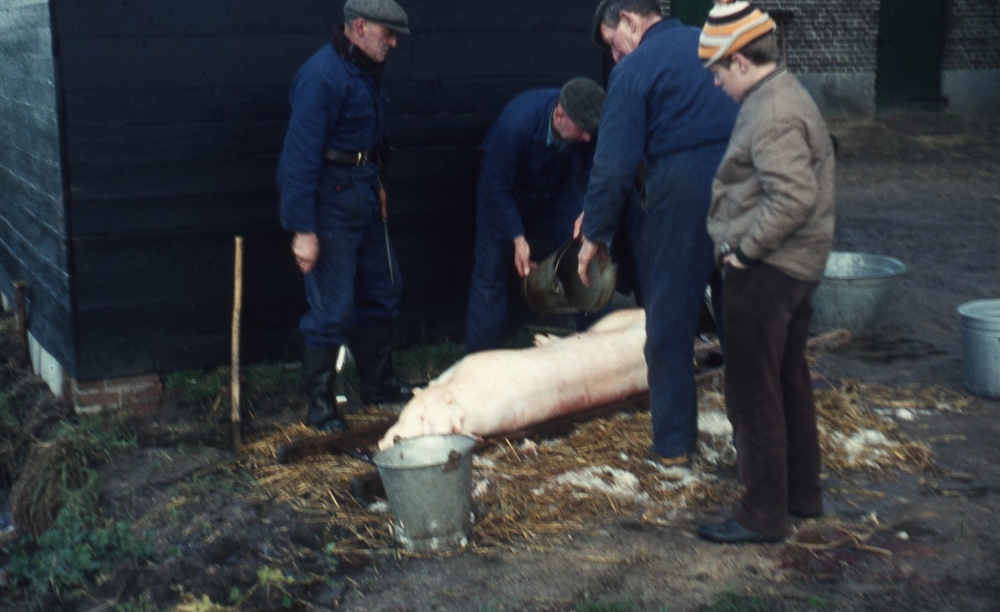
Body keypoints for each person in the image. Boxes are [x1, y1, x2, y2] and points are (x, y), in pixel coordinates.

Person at [695, 0, 836, 543]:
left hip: (770, 270)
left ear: (740, 60)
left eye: (717, 71)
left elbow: (793, 195)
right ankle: (801, 496)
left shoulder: (772, 110)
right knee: (788, 381)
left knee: (753, 391)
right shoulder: (781, 94)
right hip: (795, 267)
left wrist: (747, 251)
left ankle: (761, 514)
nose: (714, 83)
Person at [577, 0, 739, 465]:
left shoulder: (634, 71)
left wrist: (595, 233)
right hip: (745, 183)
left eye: (613, 44)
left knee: (669, 323)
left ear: (629, 19)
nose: (615, 57)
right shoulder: (714, 45)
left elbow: (614, 166)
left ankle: (672, 448)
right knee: (741, 321)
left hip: (683, 192)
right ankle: (756, 449)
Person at [277, 0, 414, 432]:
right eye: (387, 33)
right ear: (358, 26)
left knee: (383, 286)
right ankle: (319, 406)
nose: (393, 42)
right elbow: (297, 160)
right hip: (330, 204)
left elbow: (369, 139)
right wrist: (303, 230)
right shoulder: (321, 77)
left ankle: (378, 383)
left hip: (365, 194)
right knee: (332, 308)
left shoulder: (364, 68)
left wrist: (380, 184)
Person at [465, 78, 607, 354]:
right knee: (490, 275)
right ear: (559, 115)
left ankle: (601, 350)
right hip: (506, 190)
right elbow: (496, 187)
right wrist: (518, 239)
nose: (589, 137)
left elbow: (596, 170)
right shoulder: (516, 123)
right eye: (584, 130)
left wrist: (591, 210)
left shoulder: (585, 121)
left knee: (587, 254)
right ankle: (483, 363)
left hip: (556, 185)